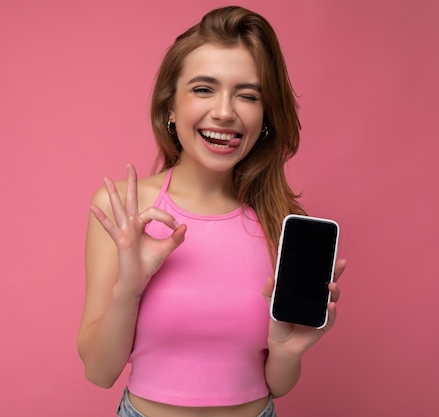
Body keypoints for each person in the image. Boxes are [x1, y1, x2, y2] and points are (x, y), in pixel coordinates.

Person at [77, 6, 347, 417]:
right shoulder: (124, 210)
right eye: (204, 89)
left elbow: (278, 384)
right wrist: (128, 289)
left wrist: (287, 351)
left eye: (248, 95)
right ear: (170, 107)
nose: (225, 112)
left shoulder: (282, 221)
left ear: (265, 117)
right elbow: (99, 372)